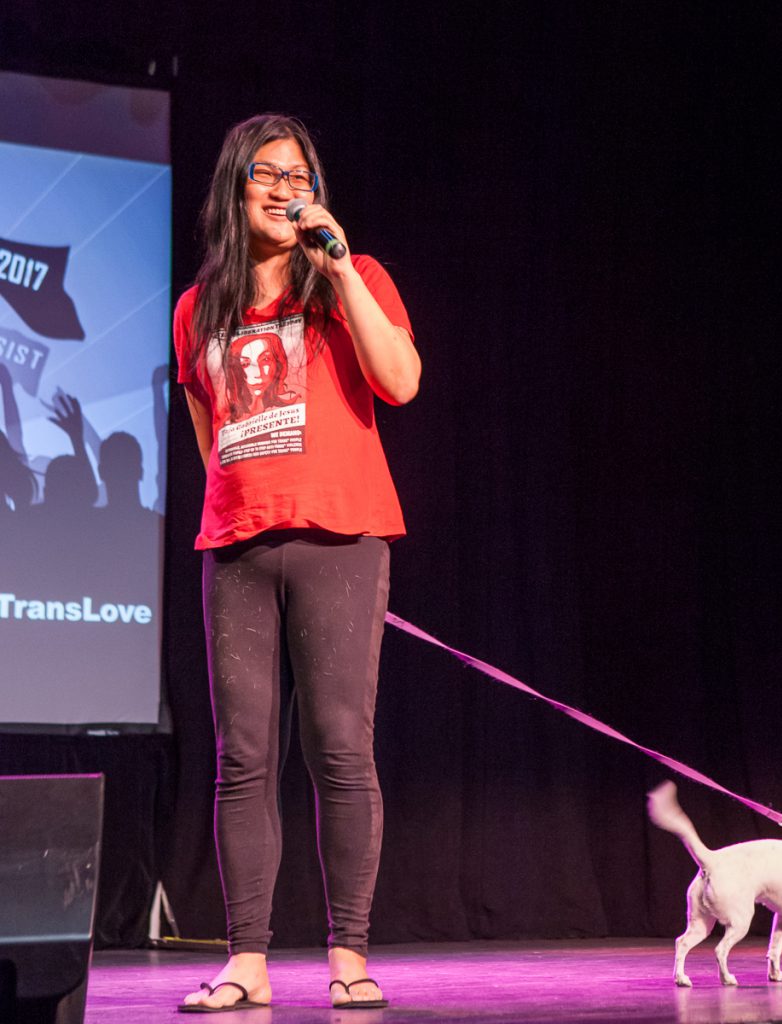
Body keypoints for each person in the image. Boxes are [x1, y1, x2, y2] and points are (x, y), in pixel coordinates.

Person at [173, 113, 420, 1012]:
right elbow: (213, 440)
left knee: (339, 751)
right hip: (237, 550)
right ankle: (246, 961)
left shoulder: (353, 277)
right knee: (242, 759)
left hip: (341, 539)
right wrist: (250, 512)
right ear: (235, 189)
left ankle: (348, 955)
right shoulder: (198, 309)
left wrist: (339, 268)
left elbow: (399, 380)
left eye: (299, 173)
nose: (285, 187)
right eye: (264, 174)